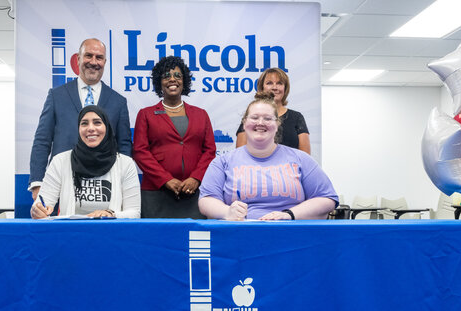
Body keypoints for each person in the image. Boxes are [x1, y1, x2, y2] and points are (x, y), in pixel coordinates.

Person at [199, 92, 337, 220]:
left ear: (277, 124)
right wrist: (227, 212)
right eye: (254, 117)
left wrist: (289, 215)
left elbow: (327, 198)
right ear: (244, 123)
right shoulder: (223, 162)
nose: (260, 123)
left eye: (267, 118)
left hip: (292, 236)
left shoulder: (301, 159)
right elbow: (206, 200)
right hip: (239, 236)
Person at [29, 38, 132, 200]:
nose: (93, 62)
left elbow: (124, 146)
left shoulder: (118, 102)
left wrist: (123, 183)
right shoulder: (56, 96)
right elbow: (42, 140)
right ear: (78, 59)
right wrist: (37, 182)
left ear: (105, 62)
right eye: (88, 56)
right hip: (60, 183)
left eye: (99, 57)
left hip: (105, 186)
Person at [133, 56, 216, 218]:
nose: (173, 79)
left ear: (184, 81)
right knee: (155, 241)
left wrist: (196, 178)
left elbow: (210, 151)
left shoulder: (201, 114)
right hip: (156, 193)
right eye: (166, 76)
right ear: (159, 82)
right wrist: (165, 179)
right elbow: (140, 152)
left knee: (193, 240)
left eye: (178, 76)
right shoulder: (146, 114)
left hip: (193, 193)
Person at [31, 105, 140, 219]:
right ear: (78, 129)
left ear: (107, 127)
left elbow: (134, 213)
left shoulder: (125, 163)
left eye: (97, 122)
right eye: (84, 123)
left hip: (110, 233)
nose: (91, 128)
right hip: (70, 233)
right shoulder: (60, 161)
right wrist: (37, 210)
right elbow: (42, 204)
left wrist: (110, 214)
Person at [235, 68, 310, 154]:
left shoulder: (296, 117)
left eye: (279, 83)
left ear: (285, 88)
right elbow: (240, 156)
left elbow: (305, 158)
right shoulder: (251, 116)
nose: (274, 87)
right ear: (262, 87)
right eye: (269, 83)